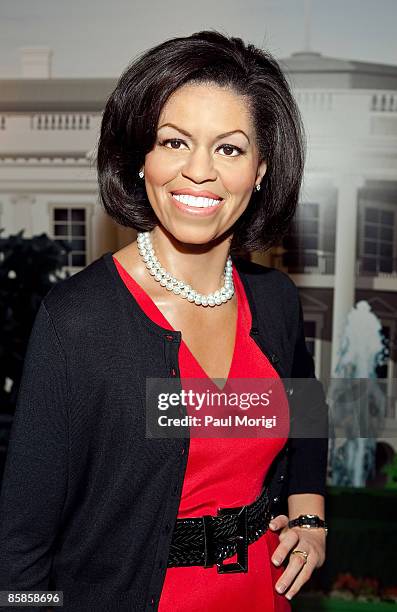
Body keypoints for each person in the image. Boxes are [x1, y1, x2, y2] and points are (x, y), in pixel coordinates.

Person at [0, 30, 329, 611]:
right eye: (174, 142)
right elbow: (22, 544)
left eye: (229, 148)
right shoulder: (77, 320)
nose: (198, 171)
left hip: (262, 595)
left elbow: (306, 411)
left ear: (259, 170)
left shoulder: (275, 300)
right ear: (140, 158)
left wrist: (310, 515)